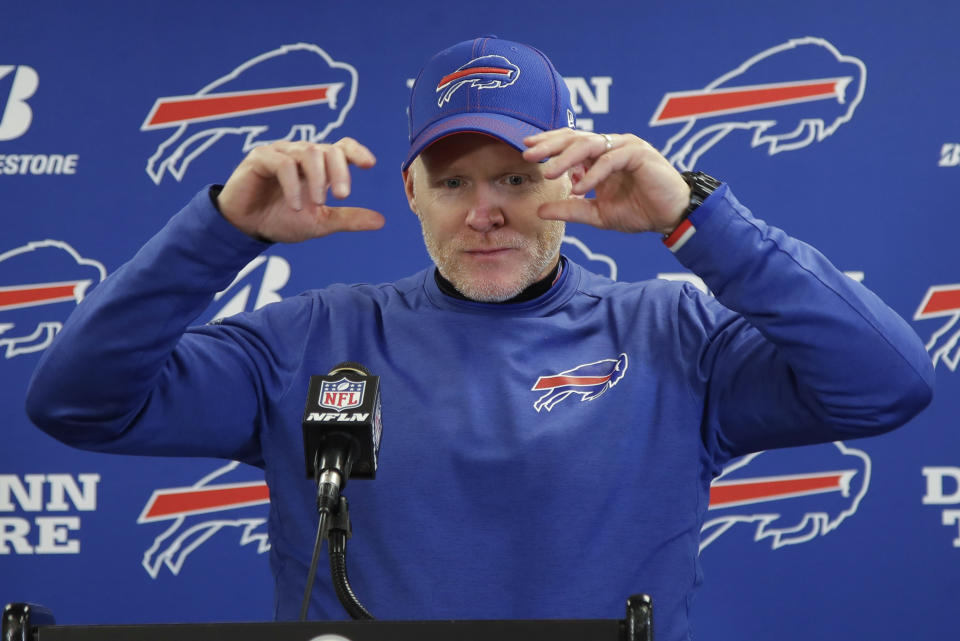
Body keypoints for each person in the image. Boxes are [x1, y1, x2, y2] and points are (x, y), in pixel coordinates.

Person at [26, 35, 933, 641]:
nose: (486, 212)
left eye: (514, 176)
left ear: (571, 179)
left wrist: (700, 220)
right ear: (412, 192)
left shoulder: (672, 333)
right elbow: (76, 403)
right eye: (453, 182)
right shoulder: (312, 339)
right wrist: (220, 229)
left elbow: (887, 383)